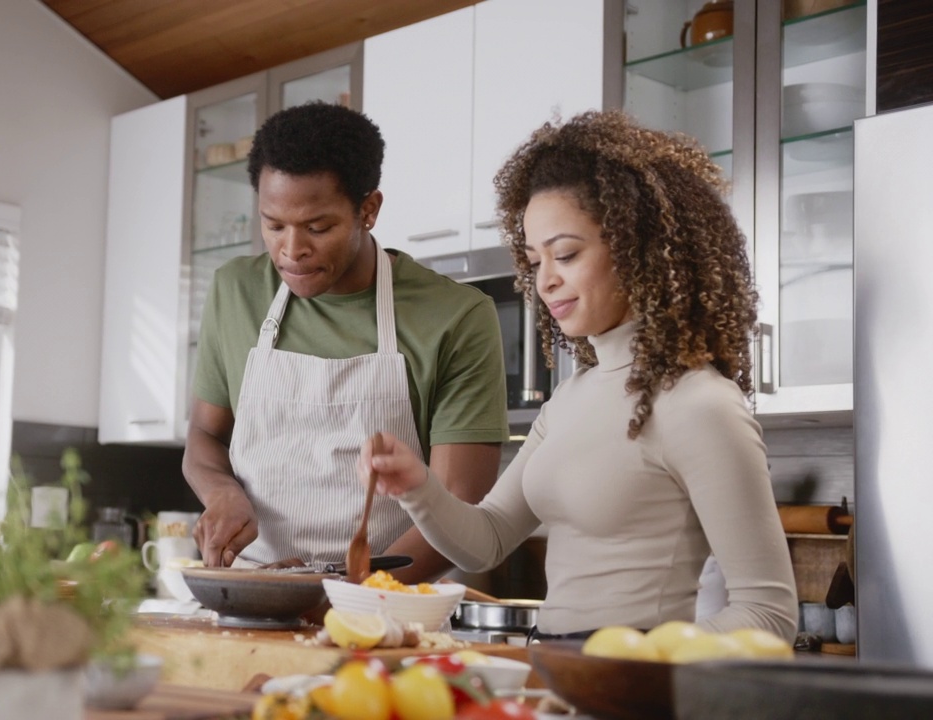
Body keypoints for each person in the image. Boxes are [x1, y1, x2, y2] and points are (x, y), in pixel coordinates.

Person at [358, 110, 798, 640]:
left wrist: (631, 661)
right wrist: (418, 487)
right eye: (534, 261)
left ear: (642, 248)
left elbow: (768, 613)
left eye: (565, 254)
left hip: (633, 690)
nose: (546, 282)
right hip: (554, 671)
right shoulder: (570, 398)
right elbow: (489, 538)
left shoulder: (700, 404)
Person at [183, 102, 510, 582]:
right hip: (250, 592)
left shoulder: (456, 316)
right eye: (273, 225)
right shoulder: (236, 291)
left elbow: (457, 506)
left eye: (318, 228)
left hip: (382, 607)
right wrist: (222, 493)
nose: (291, 251)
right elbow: (205, 436)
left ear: (368, 210)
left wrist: (336, 591)